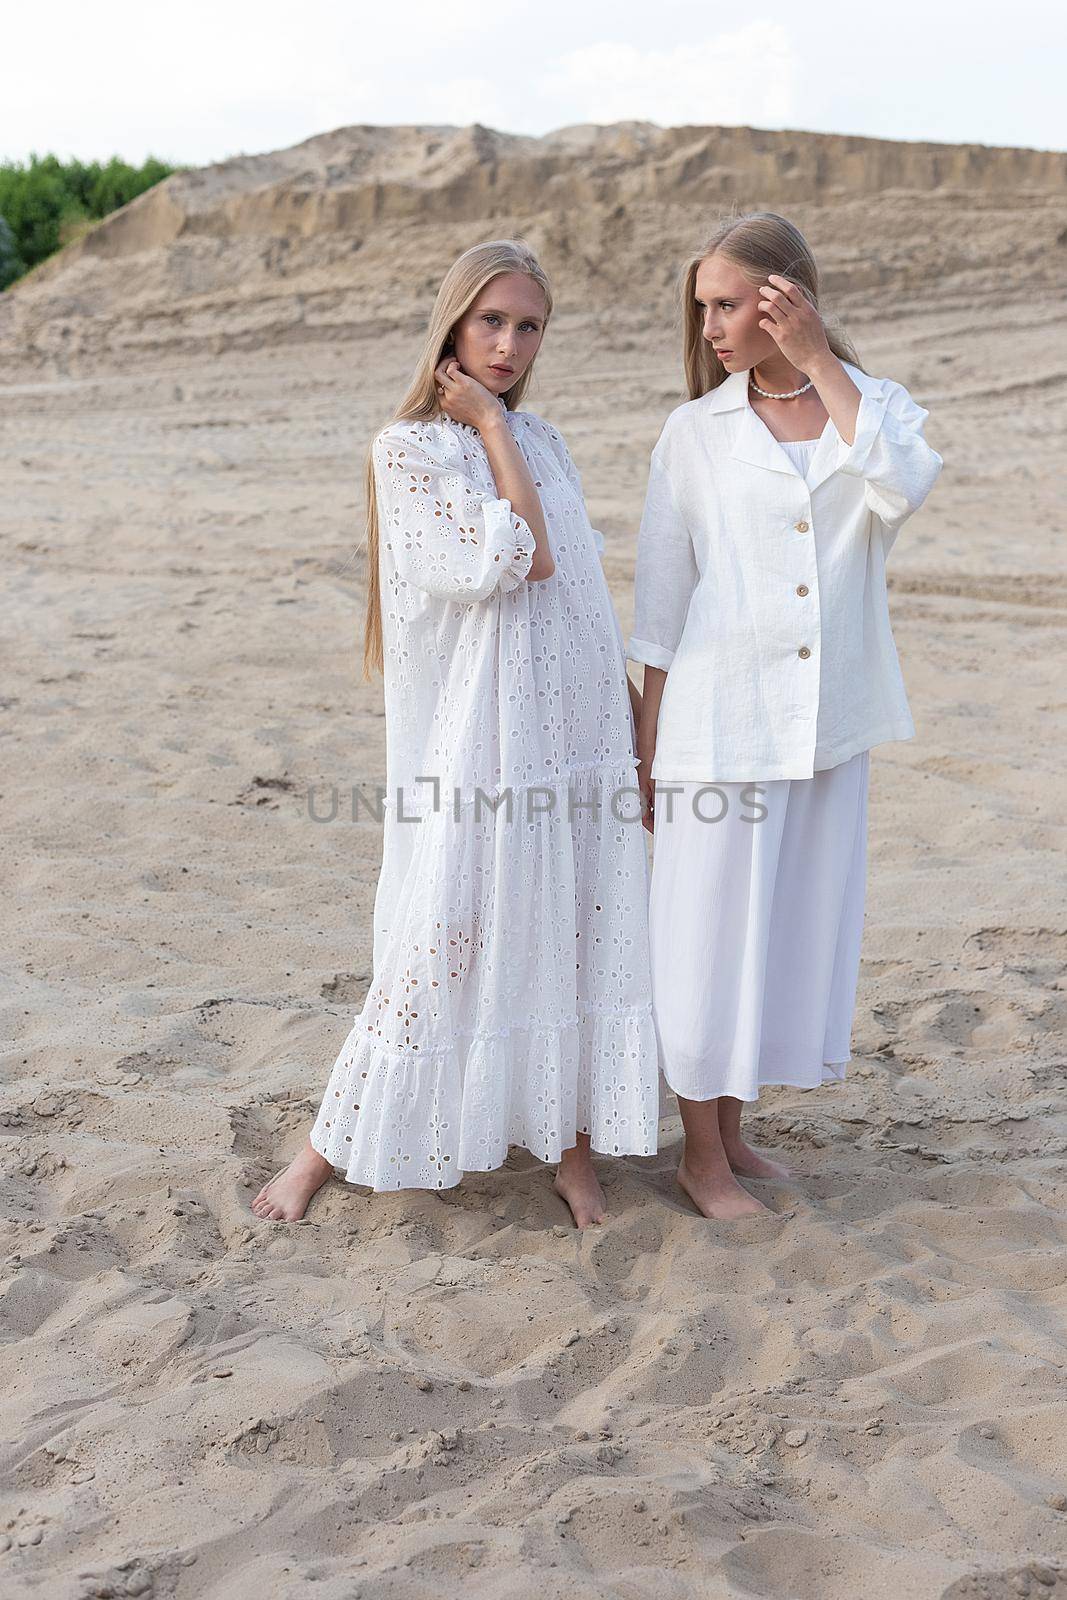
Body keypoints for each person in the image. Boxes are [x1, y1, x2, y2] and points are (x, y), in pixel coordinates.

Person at [252, 238, 660, 1229]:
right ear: (451, 323)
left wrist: (628, 729)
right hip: (485, 732)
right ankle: (323, 1147)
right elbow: (511, 564)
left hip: (574, 721)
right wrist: (484, 427)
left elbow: (579, 595)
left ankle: (571, 1155)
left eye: (527, 325)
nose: (510, 343)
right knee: (446, 931)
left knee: (572, 924)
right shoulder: (408, 451)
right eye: (492, 321)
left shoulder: (547, 440)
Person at [629, 211, 943, 1220]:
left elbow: (898, 486)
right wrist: (645, 745)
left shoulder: (876, 409)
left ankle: (733, 1135)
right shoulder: (693, 433)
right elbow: (659, 607)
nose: (711, 326)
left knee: (778, 936)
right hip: (717, 727)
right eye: (704, 308)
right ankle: (699, 1158)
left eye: (727, 304)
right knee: (706, 940)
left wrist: (819, 360)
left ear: (784, 299)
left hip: (826, 725)